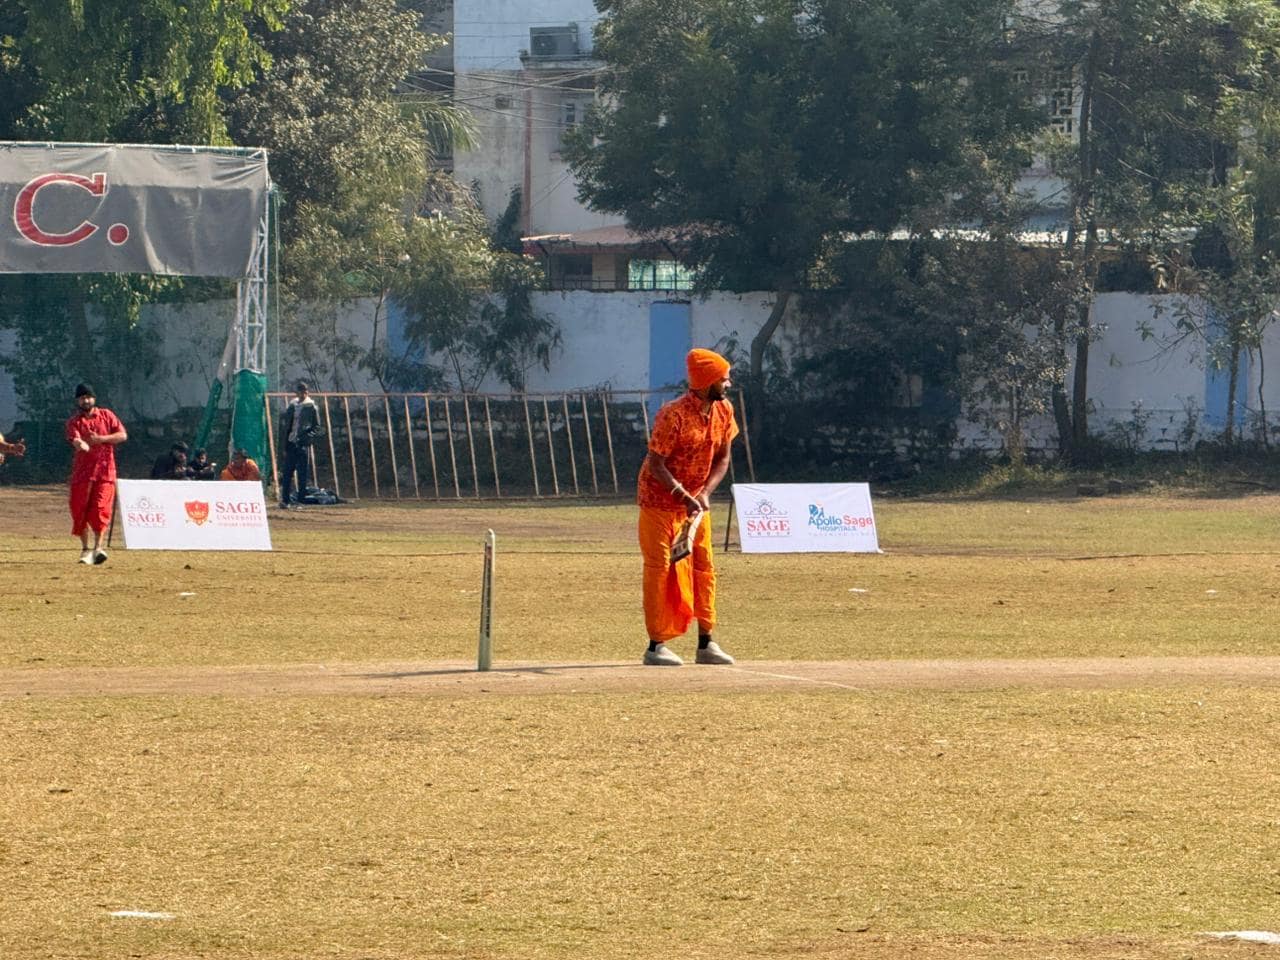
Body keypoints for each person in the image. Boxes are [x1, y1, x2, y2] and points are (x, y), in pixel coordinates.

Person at [636, 348, 739, 666]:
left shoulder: (723, 411)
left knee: (703, 567)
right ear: (708, 382)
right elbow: (656, 463)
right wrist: (682, 493)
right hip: (660, 502)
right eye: (724, 379)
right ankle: (657, 645)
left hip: (695, 504)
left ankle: (706, 642)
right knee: (661, 569)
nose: (728, 384)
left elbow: (723, 458)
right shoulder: (673, 414)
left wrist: (705, 492)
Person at [65, 382, 127, 565]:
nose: (86, 400)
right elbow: (74, 438)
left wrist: (101, 439)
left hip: (105, 472)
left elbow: (122, 435)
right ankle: (85, 550)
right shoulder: (74, 422)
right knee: (79, 510)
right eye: (82, 398)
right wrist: (80, 444)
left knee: (101, 509)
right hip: (82, 474)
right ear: (77, 401)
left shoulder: (107, 415)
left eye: (88, 397)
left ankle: (98, 548)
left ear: (94, 398)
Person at [278, 379, 322, 508]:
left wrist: (307, 438)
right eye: (299, 392)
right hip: (291, 442)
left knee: (302, 473)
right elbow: (287, 426)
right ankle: (285, 499)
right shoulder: (292, 406)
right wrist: (285, 444)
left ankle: (301, 498)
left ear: (306, 393)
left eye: (303, 392)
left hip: (302, 444)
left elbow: (317, 427)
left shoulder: (311, 407)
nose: (300, 394)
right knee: (287, 472)